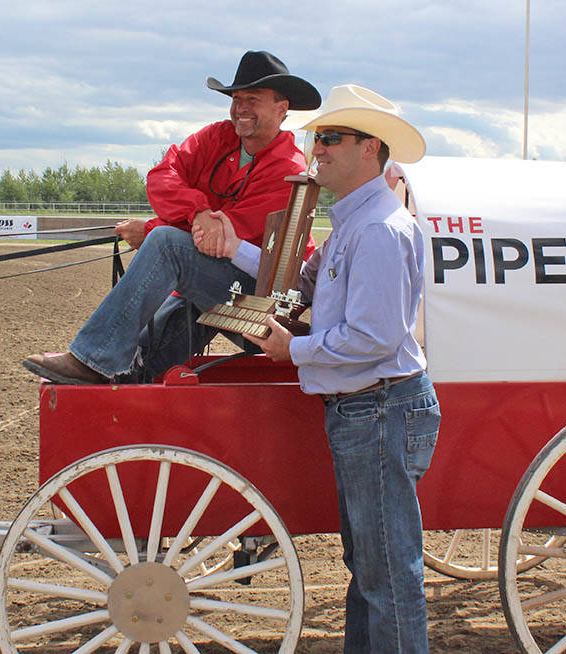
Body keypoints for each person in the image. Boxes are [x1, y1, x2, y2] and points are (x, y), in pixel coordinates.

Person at [197, 84, 439, 653]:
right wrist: (234, 247)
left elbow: (375, 338)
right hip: (368, 408)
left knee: (386, 573)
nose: (317, 147)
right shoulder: (356, 223)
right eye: (316, 136)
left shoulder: (377, 229)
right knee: (373, 568)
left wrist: (293, 351)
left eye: (331, 137)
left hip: (378, 407)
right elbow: (297, 282)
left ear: (370, 149)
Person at [23, 51, 320, 384]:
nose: (241, 108)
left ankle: (96, 358)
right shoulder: (216, 138)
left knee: (167, 246)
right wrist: (196, 210)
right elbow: (163, 175)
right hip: (218, 283)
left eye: (253, 99)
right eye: (237, 98)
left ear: (282, 110)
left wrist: (151, 229)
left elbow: (218, 236)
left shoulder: (288, 169)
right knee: (162, 331)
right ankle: (134, 379)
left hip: (268, 305)